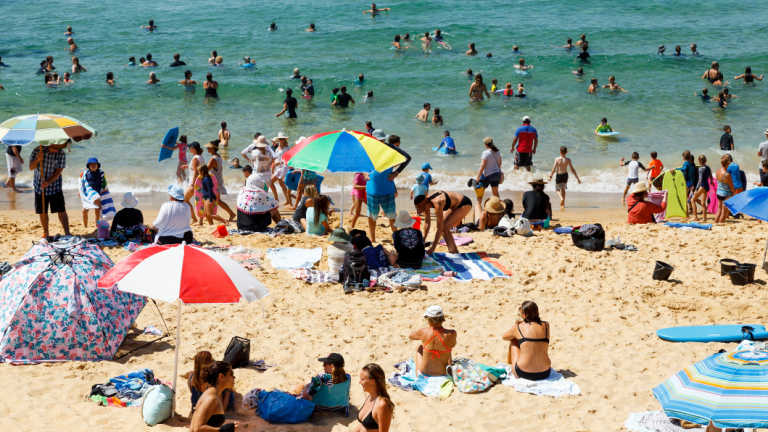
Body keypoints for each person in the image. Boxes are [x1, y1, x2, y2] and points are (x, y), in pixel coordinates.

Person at [366, 135, 410, 243]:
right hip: (372, 190)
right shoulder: (369, 149)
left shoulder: (390, 149)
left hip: (387, 190)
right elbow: (359, 163)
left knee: (392, 216)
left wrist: (396, 172)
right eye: (378, 140)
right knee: (372, 216)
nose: (381, 142)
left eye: (382, 140)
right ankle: (372, 239)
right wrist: (363, 173)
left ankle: (396, 238)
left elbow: (407, 158)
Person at [501, 301, 552, 380]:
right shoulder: (546, 325)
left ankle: (512, 367)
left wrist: (516, 326)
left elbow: (504, 337)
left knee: (513, 340)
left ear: (524, 315)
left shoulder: (518, 327)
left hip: (524, 372)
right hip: (545, 372)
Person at [30, 142, 70, 239]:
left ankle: (67, 232)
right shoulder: (37, 150)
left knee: (61, 210)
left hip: (55, 186)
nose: (57, 150)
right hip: (39, 186)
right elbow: (31, 167)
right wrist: (37, 160)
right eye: (56, 148)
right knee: (42, 211)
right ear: (50, 144)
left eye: (59, 148)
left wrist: (48, 182)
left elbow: (58, 171)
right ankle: (46, 232)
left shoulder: (61, 153)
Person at [188, 361, 239, 432]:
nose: (234, 377)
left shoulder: (213, 394)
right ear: (221, 377)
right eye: (231, 374)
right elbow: (197, 428)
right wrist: (223, 429)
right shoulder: (211, 398)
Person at [408, 306, 456, 376]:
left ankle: (417, 373)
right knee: (448, 347)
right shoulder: (452, 333)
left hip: (425, 373)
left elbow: (411, 336)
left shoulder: (423, 331)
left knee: (420, 347)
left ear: (429, 319)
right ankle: (449, 367)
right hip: (442, 373)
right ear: (442, 318)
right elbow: (453, 344)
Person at [352, 364, 393, 432]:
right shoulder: (370, 397)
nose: (359, 382)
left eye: (362, 379)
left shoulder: (382, 405)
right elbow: (362, 425)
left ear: (373, 381)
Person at [206, 141, 236, 220]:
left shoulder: (213, 159)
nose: (207, 148)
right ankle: (230, 213)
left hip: (214, 182)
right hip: (218, 180)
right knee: (217, 200)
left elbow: (205, 170)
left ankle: (211, 215)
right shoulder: (218, 156)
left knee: (214, 200)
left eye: (209, 147)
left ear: (213, 149)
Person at [472, 137, 502, 203]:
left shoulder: (485, 153)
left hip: (487, 175)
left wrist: (478, 177)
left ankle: (478, 207)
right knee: (496, 194)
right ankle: (499, 207)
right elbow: (499, 164)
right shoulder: (497, 152)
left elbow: (482, 166)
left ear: (485, 144)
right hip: (496, 174)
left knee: (479, 193)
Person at [81, 158, 107, 227]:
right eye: (91, 164)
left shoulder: (101, 173)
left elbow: (104, 183)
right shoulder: (85, 173)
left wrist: (103, 191)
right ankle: (85, 226)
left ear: (97, 165)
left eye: (95, 164)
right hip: (88, 195)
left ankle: (97, 225)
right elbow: (82, 183)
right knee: (84, 211)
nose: (93, 166)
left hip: (97, 195)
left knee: (97, 211)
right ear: (88, 166)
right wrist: (80, 192)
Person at [691, 155, 712, 221]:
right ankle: (704, 218)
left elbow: (700, 180)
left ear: (699, 161)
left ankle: (695, 217)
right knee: (703, 203)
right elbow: (710, 176)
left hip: (702, 186)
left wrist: (696, 189)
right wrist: (712, 182)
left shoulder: (701, 169)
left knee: (692, 200)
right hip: (707, 186)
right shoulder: (708, 167)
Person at [716, 155, 736, 223]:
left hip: (719, 192)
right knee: (724, 213)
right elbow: (731, 186)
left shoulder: (718, 171)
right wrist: (734, 193)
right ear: (727, 164)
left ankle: (716, 223)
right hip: (726, 194)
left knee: (719, 209)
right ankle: (720, 224)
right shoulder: (727, 174)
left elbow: (718, 181)